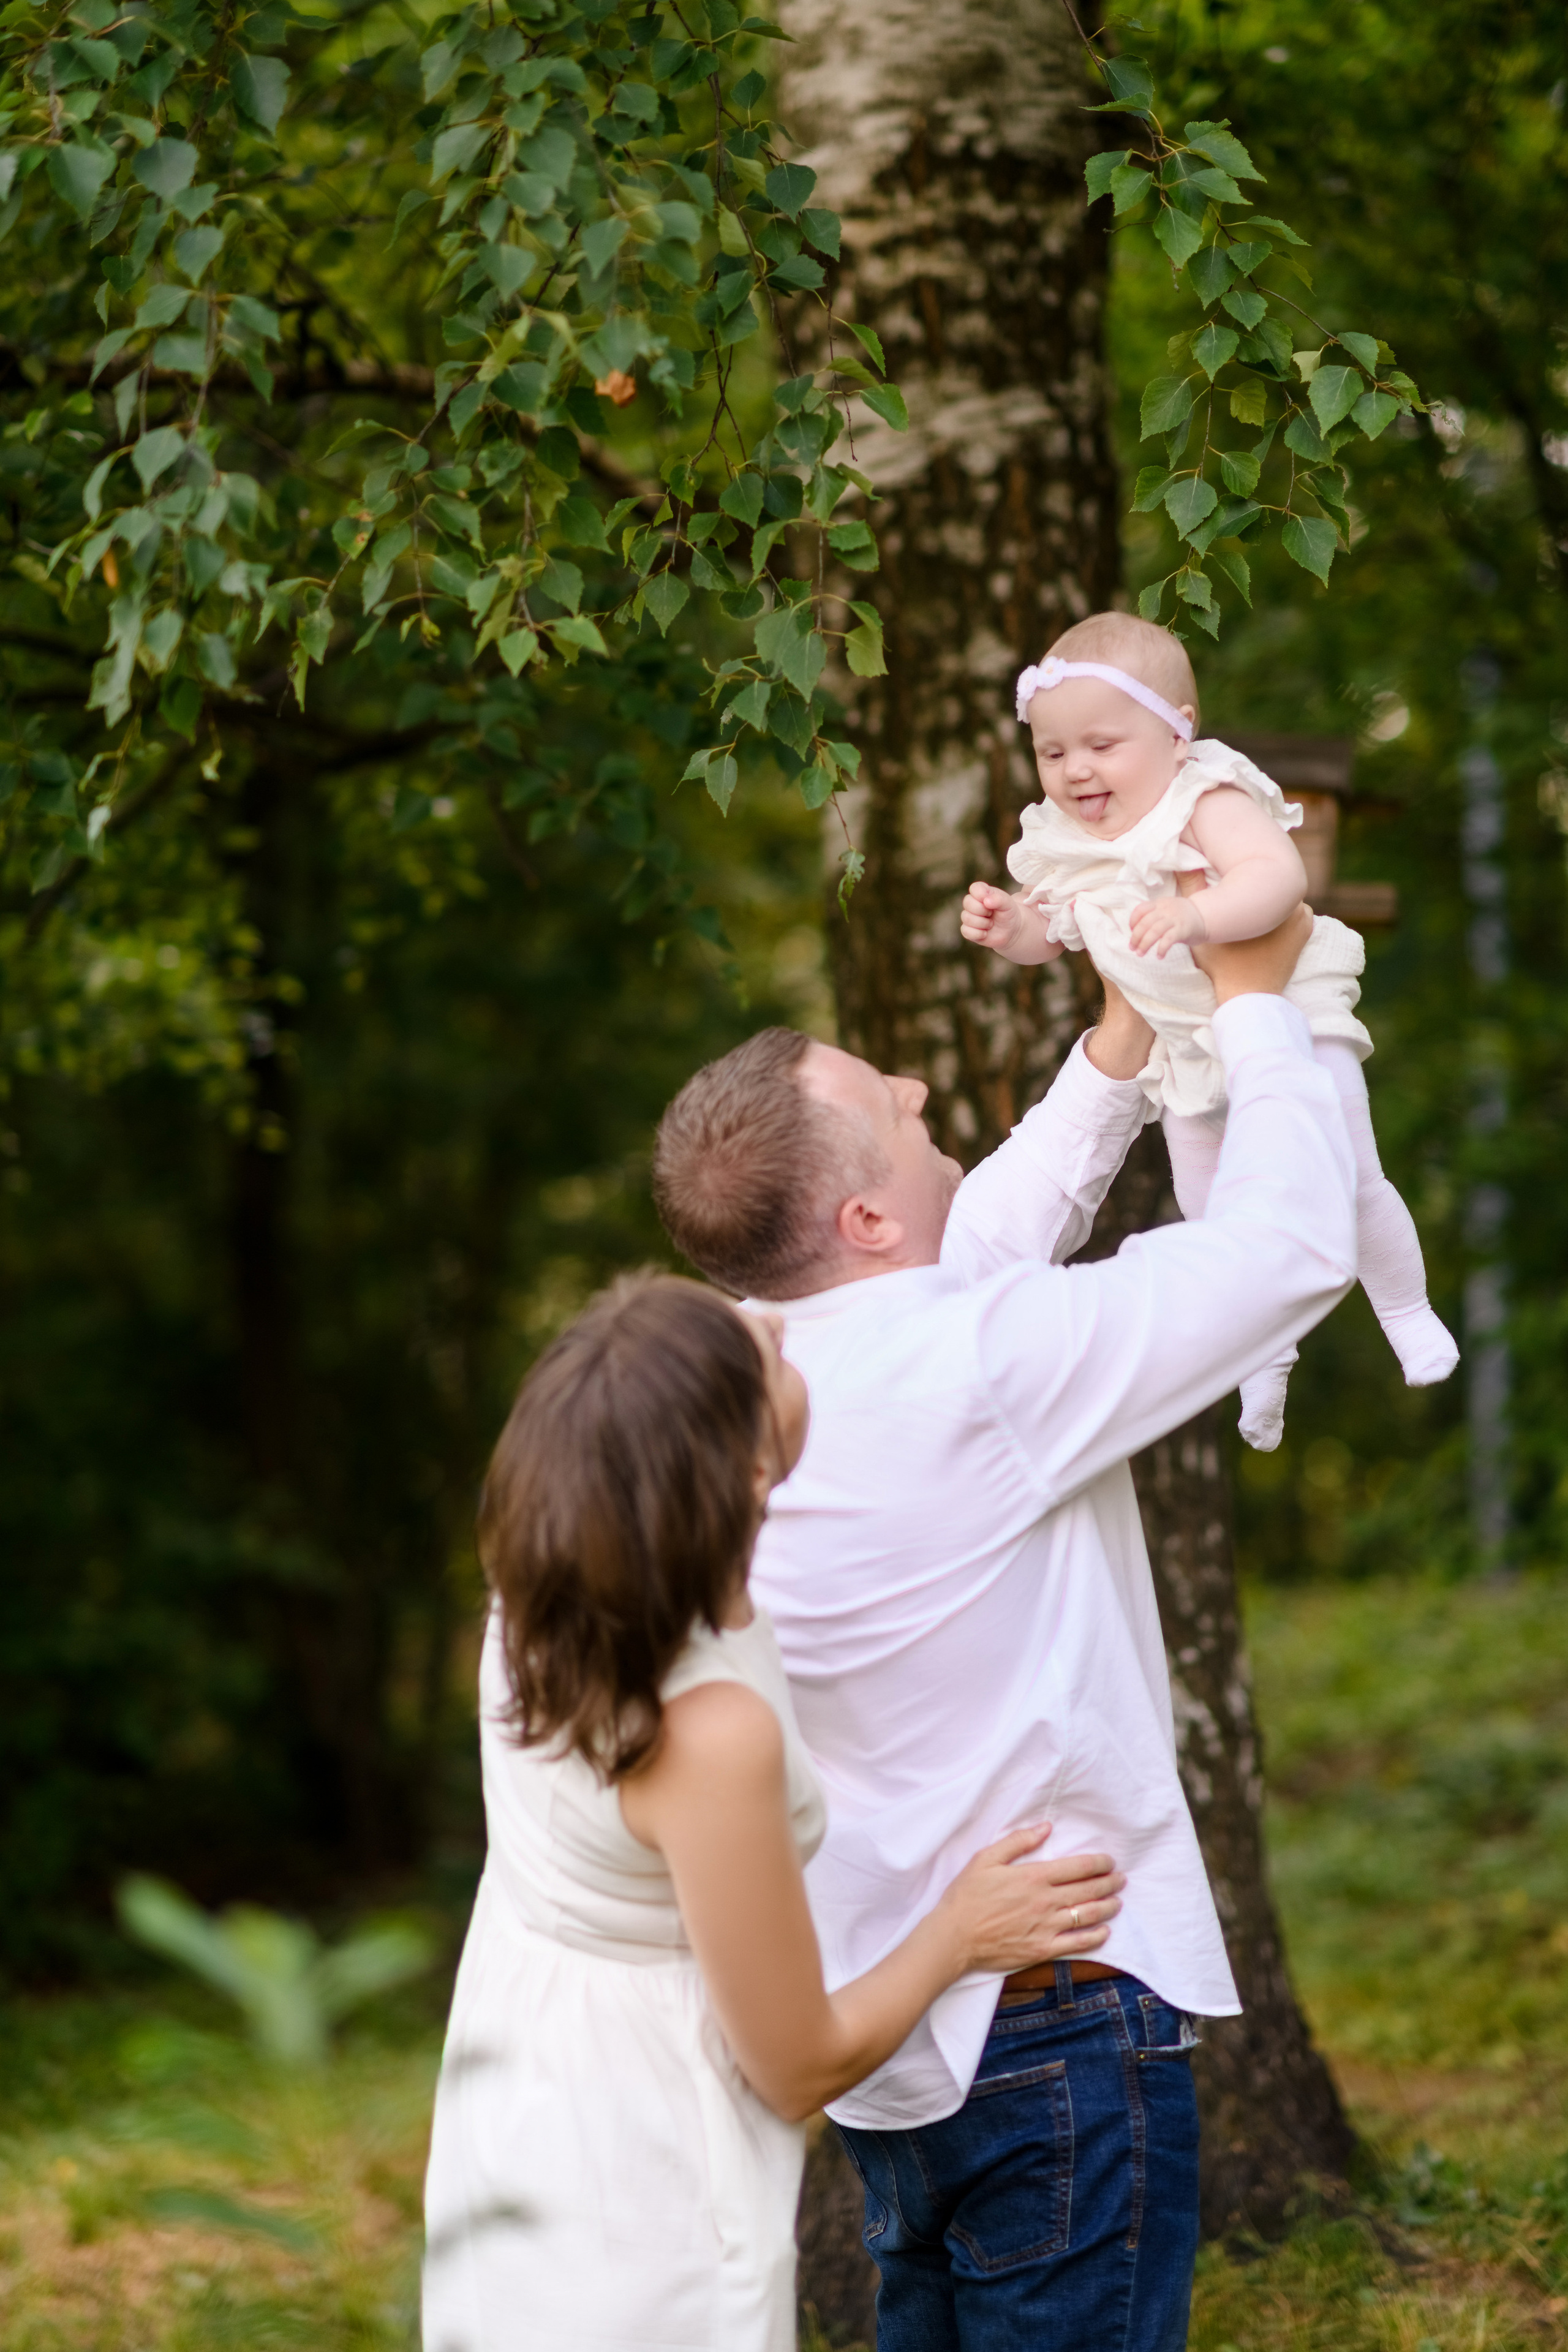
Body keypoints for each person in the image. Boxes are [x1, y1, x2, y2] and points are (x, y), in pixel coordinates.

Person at [651, 921, 1357, 2352]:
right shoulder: (979, 1367)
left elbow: (956, 1257)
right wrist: (1250, 1004)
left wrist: (1117, 1041)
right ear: (862, 1220)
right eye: (892, 1103)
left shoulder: (733, 1380)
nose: (918, 1088)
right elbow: (1288, 1249)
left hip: (891, 2035)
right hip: (1054, 2027)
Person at [421, 1272, 1125, 2352]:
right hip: (637, 2149)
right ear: (749, 1474)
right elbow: (795, 2063)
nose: (779, 1322)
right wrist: (959, 1933)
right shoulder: (705, 1735)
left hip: (522, 2077)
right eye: (767, 1359)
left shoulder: (544, 1592)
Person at [959, 608, 1457, 1450]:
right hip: (1182, 1042)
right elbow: (1054, 930)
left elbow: (1277, 877)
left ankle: (1406, 1311)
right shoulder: (1065, 839)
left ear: (1176, 732)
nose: (1076, 770)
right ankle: (1261, 1362)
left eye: (1102, 745)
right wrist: (1013, 929)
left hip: (1290, 1005)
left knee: (1351, 1169)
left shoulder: (1204, 799)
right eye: (1052, 752)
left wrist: (1198, 916)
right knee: (1211, 1213)